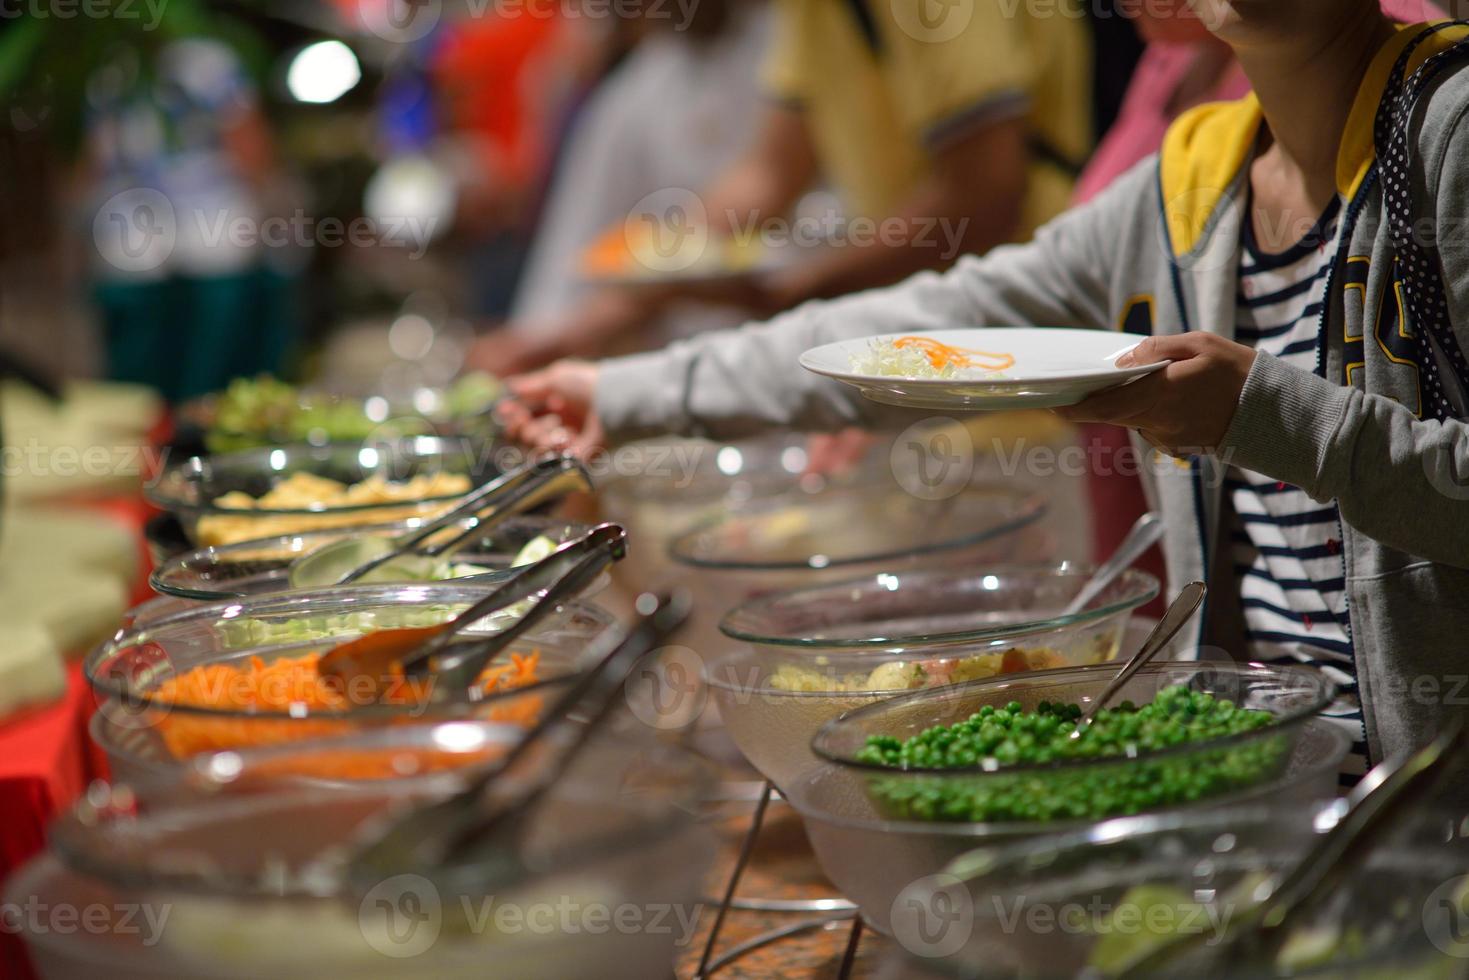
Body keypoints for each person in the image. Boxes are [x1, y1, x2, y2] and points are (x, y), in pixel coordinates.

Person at [501, 5, 1469, 777]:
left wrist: (1258, 415)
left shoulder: (1447, 130)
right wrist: (623, 391)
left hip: (1424, 816)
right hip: (1261, 789)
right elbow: (930, 326)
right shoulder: (1180, 188)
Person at [470, 0, 1092, 372]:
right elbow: (768, 176)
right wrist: (588, 321)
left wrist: (794, 293)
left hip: (1027, 354)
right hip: (930, 354)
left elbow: (983, 194)